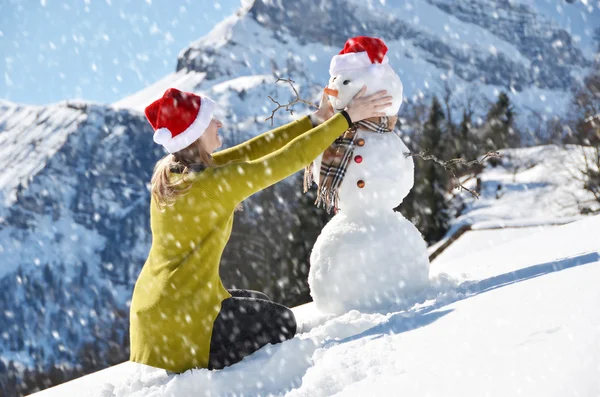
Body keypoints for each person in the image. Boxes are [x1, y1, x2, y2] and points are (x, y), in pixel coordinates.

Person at [129, 85, 392, 373]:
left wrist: (315, 121)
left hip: (161, 309)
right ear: (195, 134)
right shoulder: (211, 183)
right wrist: (346, 118)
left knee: (260, 303)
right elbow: (286, 160)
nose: (219, 123)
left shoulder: (174, 174)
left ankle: (193, 352)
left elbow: (255, 149)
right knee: (282, 323)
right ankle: (208, 369)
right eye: (210, 120)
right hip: (182, 319)